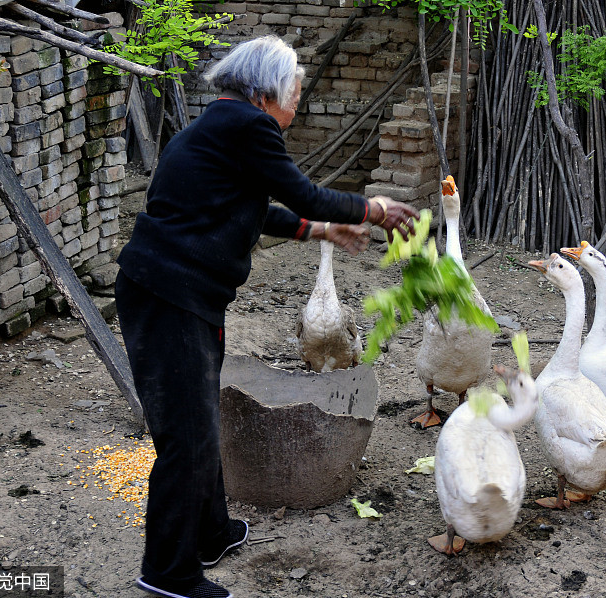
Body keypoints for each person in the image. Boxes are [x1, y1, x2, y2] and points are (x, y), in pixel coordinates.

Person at [115, 35, 419, 598]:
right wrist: (372, 209)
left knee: (200, 421)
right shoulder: (247, 128)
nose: (298, 102)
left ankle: (210, 533)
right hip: (169, 296)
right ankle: (168, 574)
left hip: (181, 295)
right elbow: (302, 194)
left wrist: (321, 230)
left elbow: (256, 209)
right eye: (294, 92)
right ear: (266, 93)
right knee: (186, 438)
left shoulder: (223, 127)